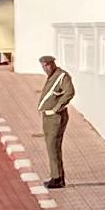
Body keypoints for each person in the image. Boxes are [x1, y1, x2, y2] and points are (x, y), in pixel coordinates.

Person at [36, 53, 75, 189]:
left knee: (53, 145)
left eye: (47, 65)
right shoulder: (51, 77)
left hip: (55, 117)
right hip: (47, 116)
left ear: (52, 63)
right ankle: (57, 176)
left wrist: (57, 107)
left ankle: (57, 178)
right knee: (50, 145)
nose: (45, 68)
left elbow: (69, 92)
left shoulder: (62, 76)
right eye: (43, 65)